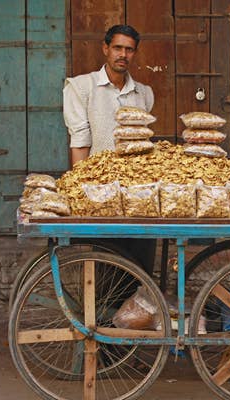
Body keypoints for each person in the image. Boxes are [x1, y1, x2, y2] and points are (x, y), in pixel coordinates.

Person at [63, 24, 156, 276]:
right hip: (99, 189)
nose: (123, 55)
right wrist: (80, 192)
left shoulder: (144, 94)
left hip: (136, 192)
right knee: (105, 258)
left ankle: (138, 311)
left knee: (140, 259)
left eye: (129, 50)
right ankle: (103, 314)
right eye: (117, 48)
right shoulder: (81, 87)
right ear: (105, 49)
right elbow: (80, 140)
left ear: (135, 53)